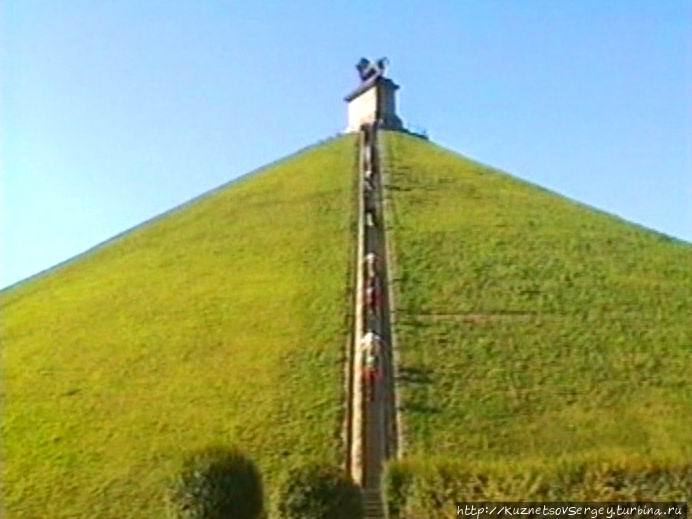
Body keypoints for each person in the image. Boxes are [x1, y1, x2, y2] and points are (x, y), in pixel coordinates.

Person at [360, 331, 382, 402]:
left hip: (370, 367)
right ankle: (369, 394)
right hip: (371, 367)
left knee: (368, 381)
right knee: (370, 382)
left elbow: (362, 346)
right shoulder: (375, 339)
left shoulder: (368, 338)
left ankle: (366, 392)